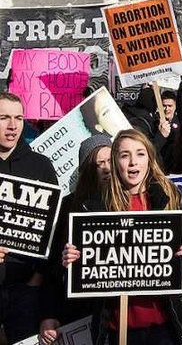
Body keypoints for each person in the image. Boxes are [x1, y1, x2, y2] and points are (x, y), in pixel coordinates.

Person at [61, 129, 182, 345]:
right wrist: (72, 261)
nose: (133, 162)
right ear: (115, 161)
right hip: (118, 329)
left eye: (140, 154)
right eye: (125, 155)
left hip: (166, 326)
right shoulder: (96, 206)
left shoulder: (170, 197)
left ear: (150, 158)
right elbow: (82, 273)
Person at [40, 134, 113, 344]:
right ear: (86, 169)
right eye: (100, 163)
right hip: (75, 312)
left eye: (111, 160)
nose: (107, 168)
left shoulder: (129, 202)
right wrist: (48, 314)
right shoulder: (67, 207)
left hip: (115, 314)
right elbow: (51, 267)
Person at [0, 92, 60, 344]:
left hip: (26, 289)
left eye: (19, 118)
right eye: (3, 118)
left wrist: (37, 278)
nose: (13, 126)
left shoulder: (41, 166)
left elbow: (54, 230)